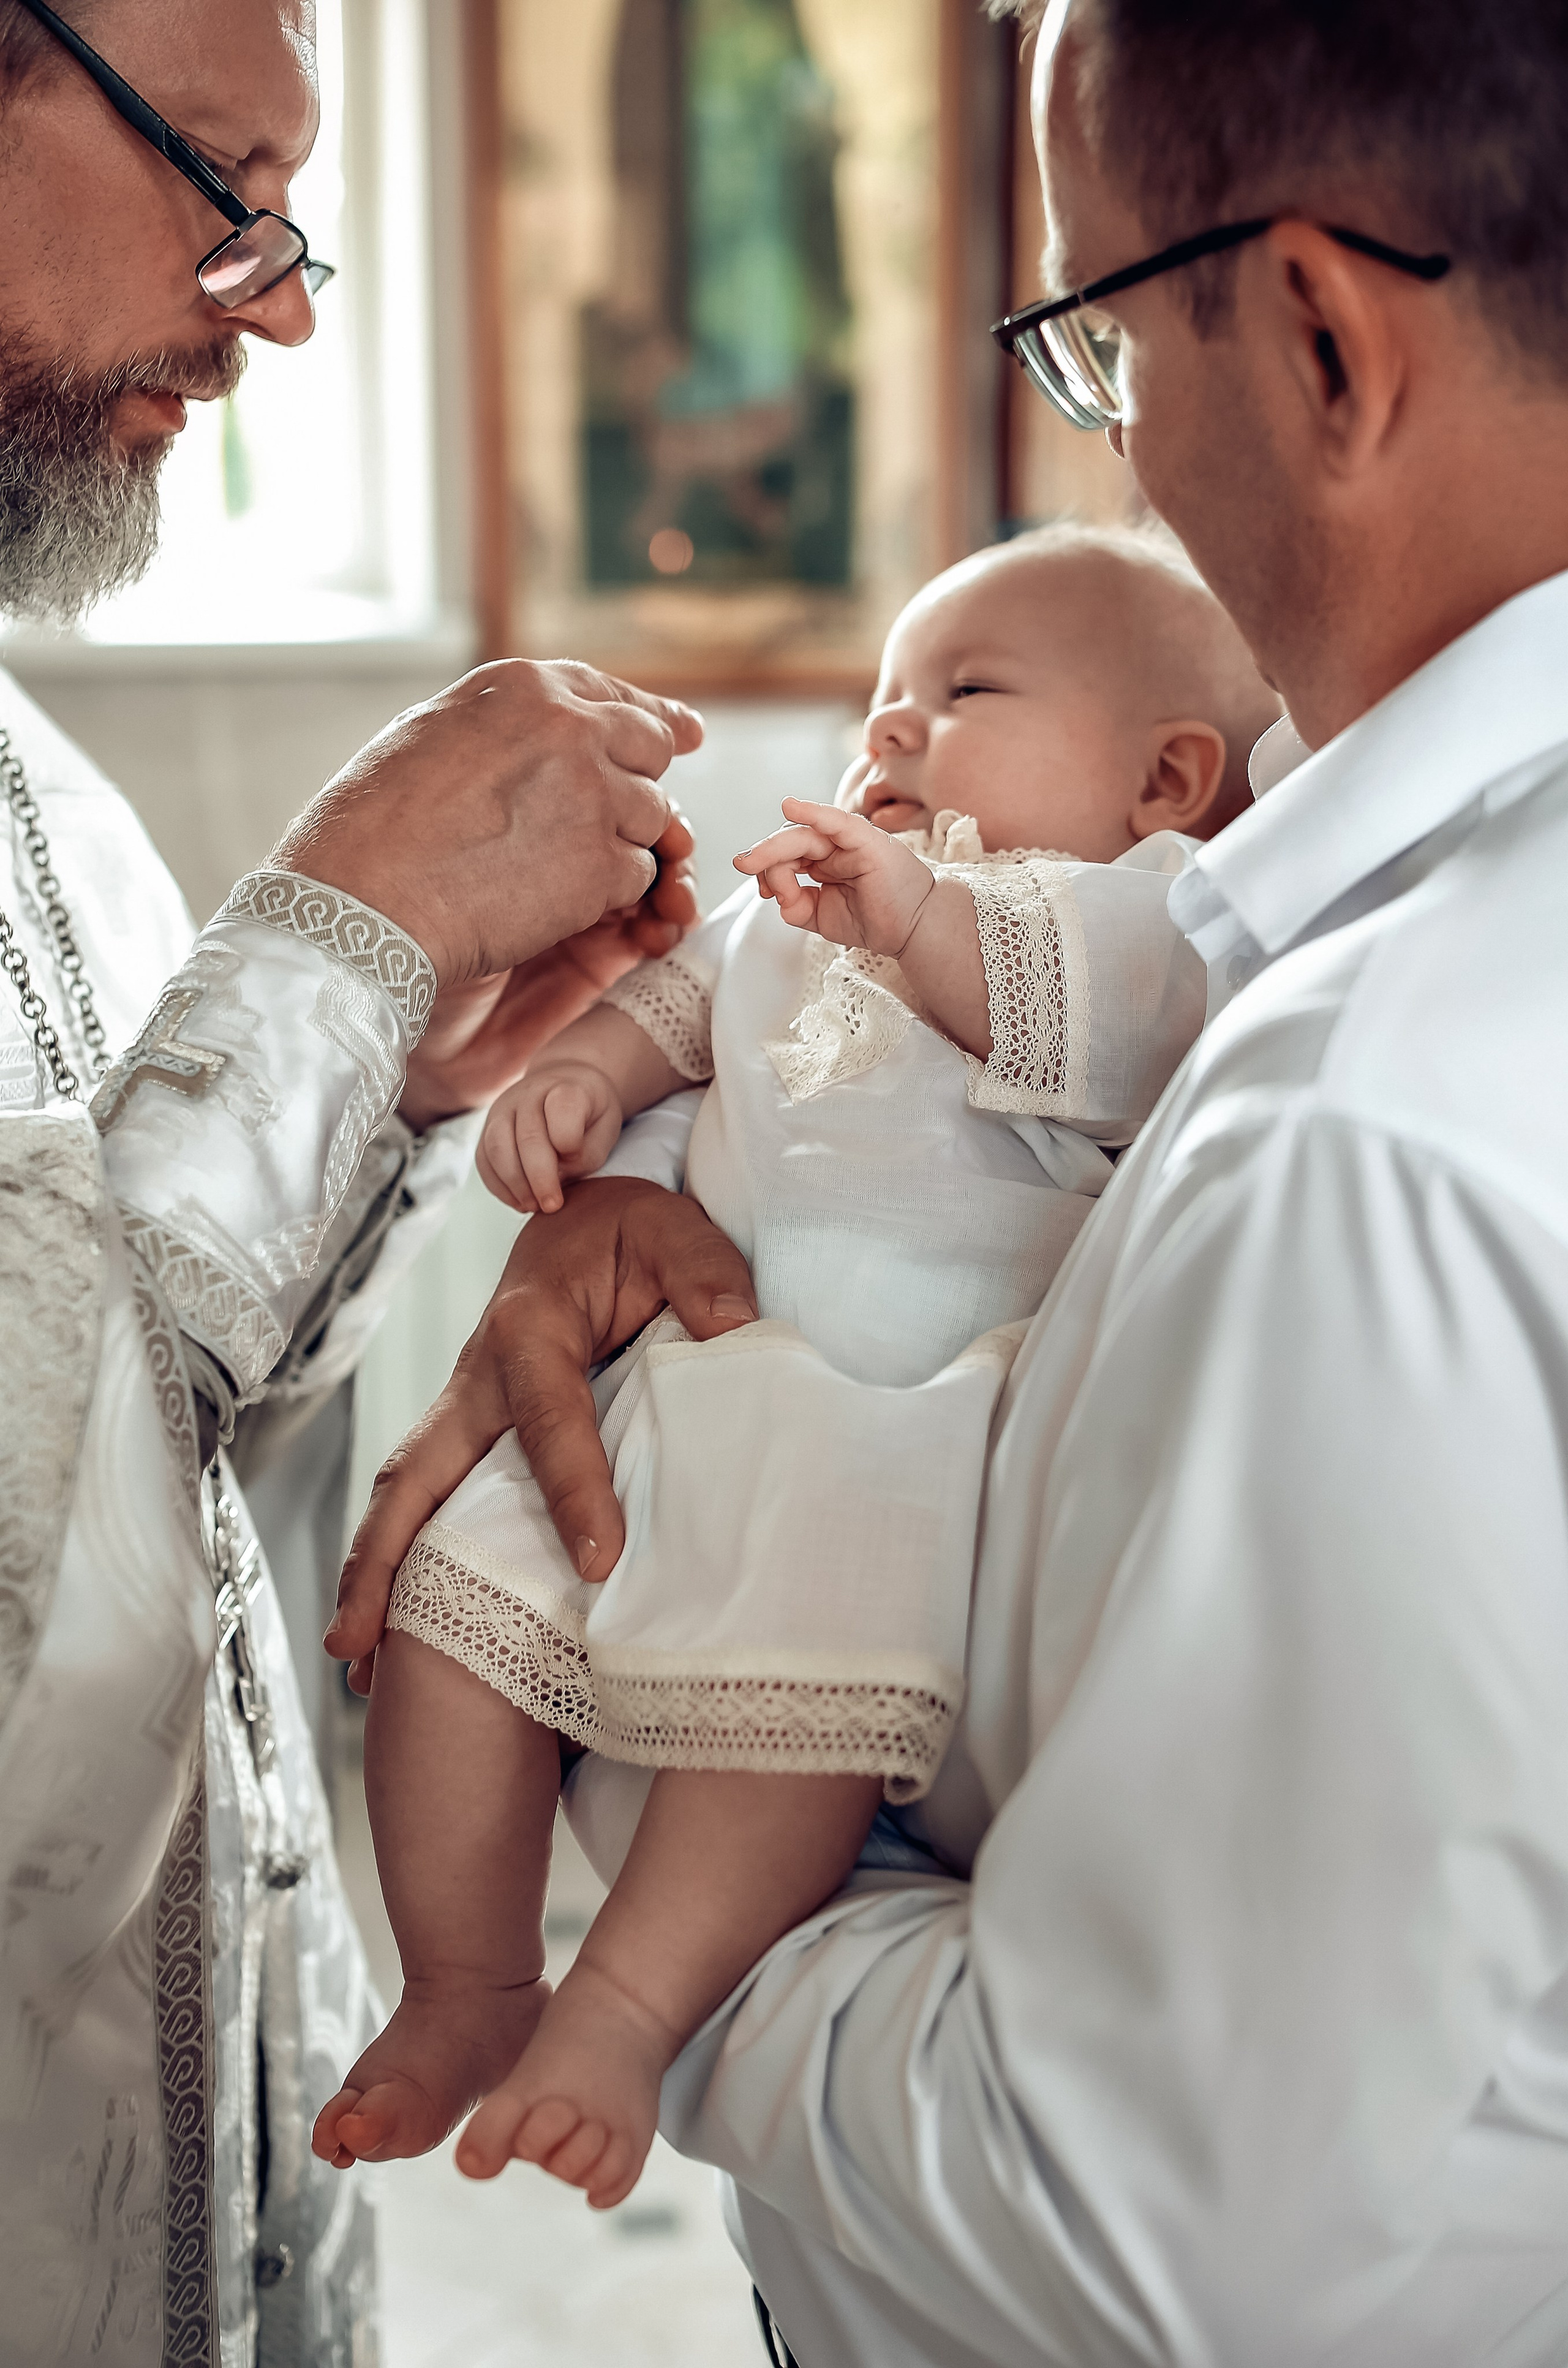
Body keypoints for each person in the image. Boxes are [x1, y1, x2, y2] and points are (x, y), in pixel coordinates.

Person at [331, 0, 1568, 2358]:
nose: (1118, 451)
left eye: (1098, 338)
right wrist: (628, 1167)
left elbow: (1143, 2229)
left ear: (1320, 334)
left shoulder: (1363, 1127)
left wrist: (655, 1791)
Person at [0, 2, 701, 2362]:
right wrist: (320, 940)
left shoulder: (47, 790)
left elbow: (151, 1468)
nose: (286, 302)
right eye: (219, 179)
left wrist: (388, 1086)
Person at [312, 527, 1280, 2206]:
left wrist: (915, 914)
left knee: (788, 1720)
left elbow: (1099, 1028)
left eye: (961, 692)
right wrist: (591, 1092)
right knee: (450, 1601)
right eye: (884, 697)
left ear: (1166, 777)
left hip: (893, 1432)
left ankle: (622, 2005)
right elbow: (685, 1010)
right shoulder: (802, 910)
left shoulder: (1140, 925)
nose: (889, 729)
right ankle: (468, 1981)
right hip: (694, 1386)